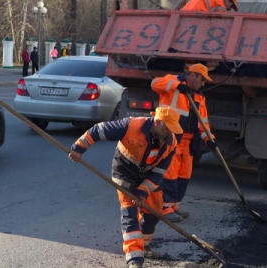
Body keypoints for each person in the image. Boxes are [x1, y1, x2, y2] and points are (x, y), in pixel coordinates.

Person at [68, 107, 183, 268]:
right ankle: (134, 259)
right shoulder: (131, 126)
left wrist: (143, 191)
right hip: (125, 170)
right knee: (130, 212)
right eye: (168, 128)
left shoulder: (171, 142)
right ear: (157, 122)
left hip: (148, 174)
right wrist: (78, 148)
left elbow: (159, 172)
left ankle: (145, 244)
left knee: (154, 210)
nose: (170, 132)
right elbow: (98, 130)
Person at [151, 63, 216, 222]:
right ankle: (165, 208)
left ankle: (173, 204)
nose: (203, 84)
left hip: (188, 142)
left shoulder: (199, 97)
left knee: (184, 175)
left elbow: (203, 122)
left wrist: (209, 138)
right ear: (193, 75)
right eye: (201, 79)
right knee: (169, 174)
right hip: (172, 138)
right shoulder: (172, 81)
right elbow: (154, 84)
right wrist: (179, 86)